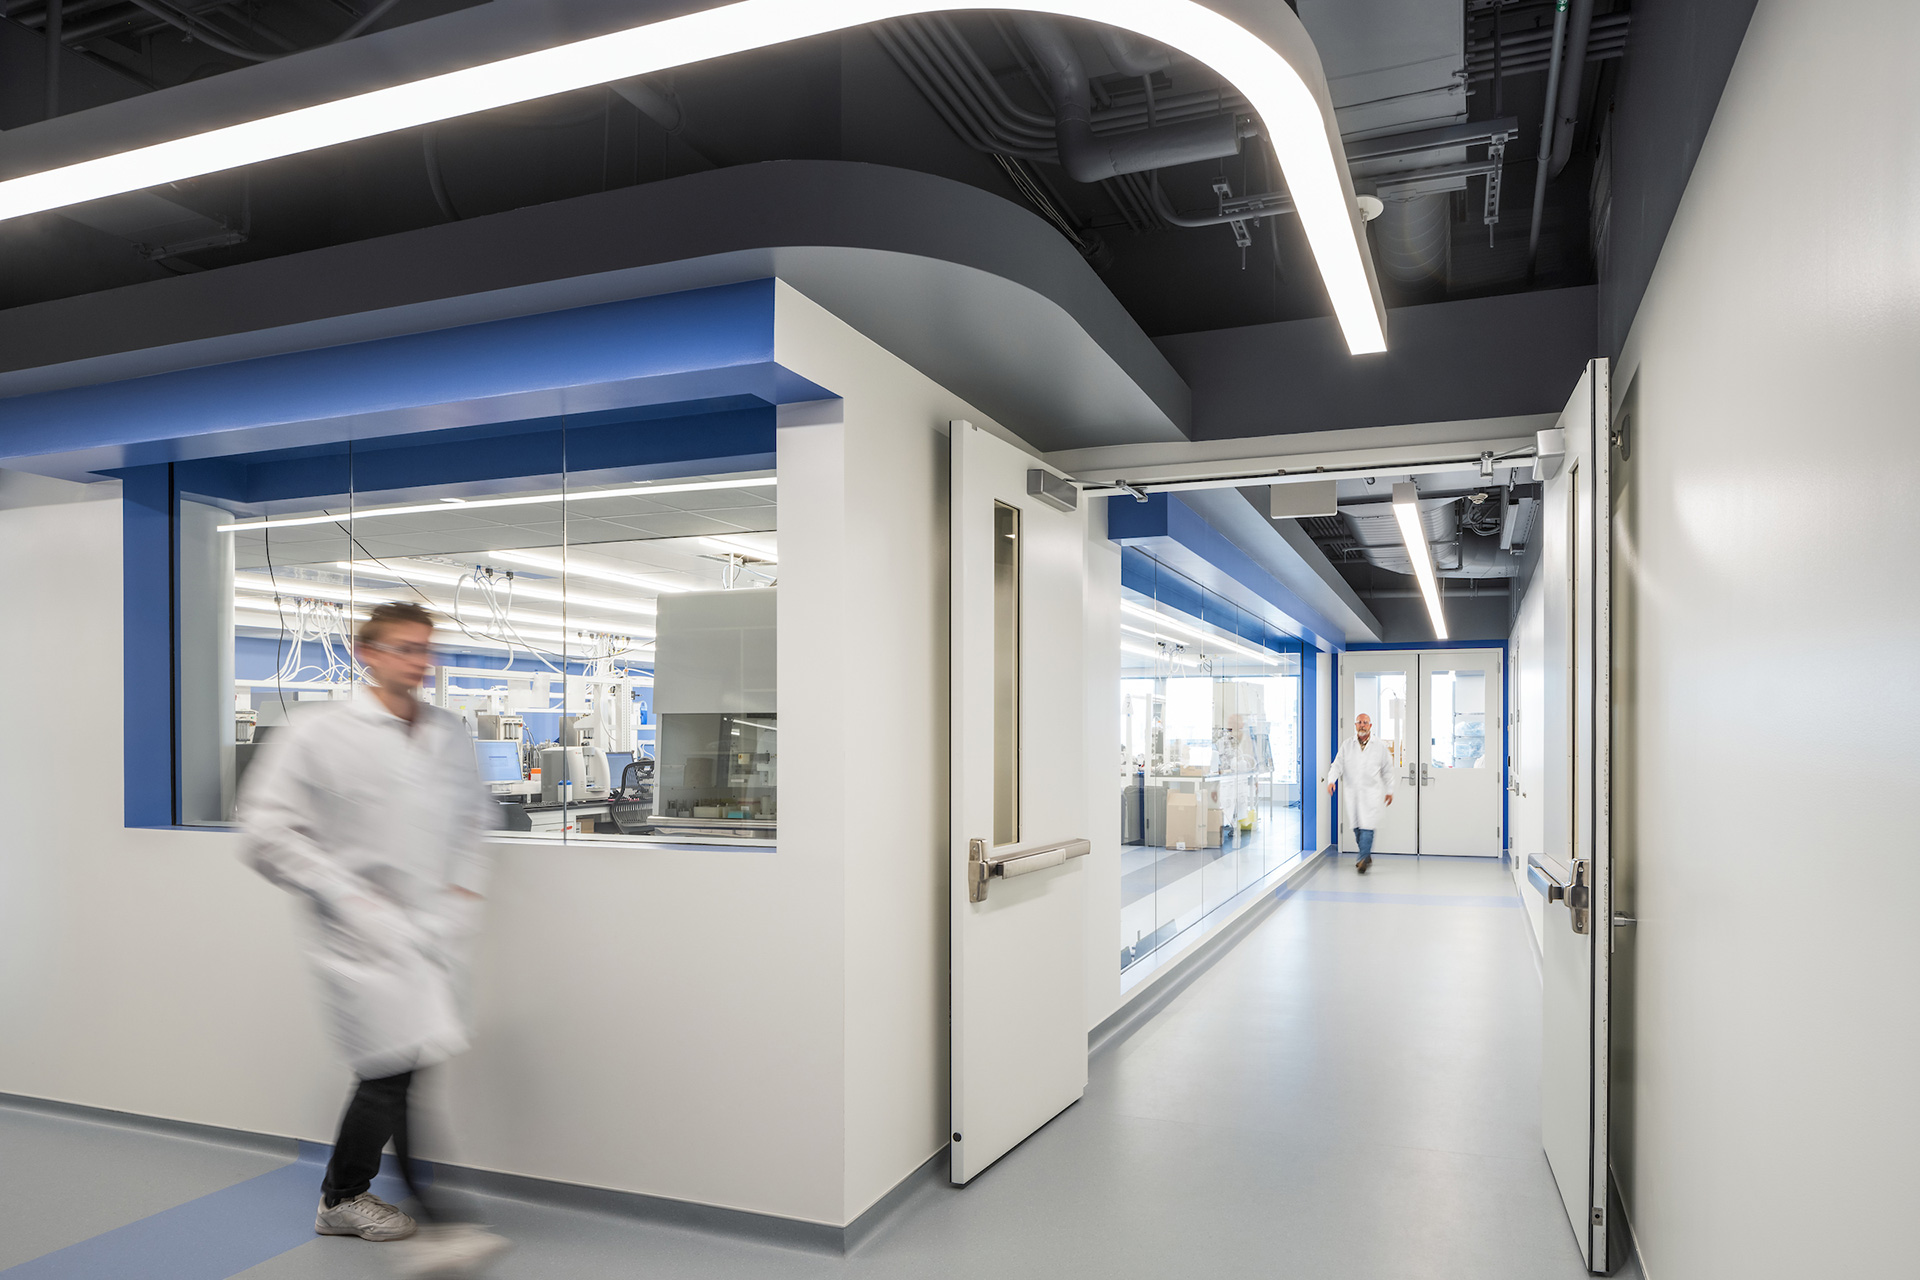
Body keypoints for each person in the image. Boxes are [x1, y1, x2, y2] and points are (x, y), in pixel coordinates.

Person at [240, 601, 510, 1277]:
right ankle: (424, 1214)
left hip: (431, 934)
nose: (418, 662)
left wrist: (464, 894)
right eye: (403, 649)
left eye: (425, 650)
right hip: (359, 938)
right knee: (395, 1075)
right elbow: (265, 833)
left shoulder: (448, 733)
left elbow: (473, 823)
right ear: (368, 653)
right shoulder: (318, 732)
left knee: (397, 1071)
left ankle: (345, 1195)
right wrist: (349, 897)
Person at [1326, 712, 1395, 874]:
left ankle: (1362, 859)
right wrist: (1331, 780)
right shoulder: (1347, 745)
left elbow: (1388, 771)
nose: (1362, 725)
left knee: (1367, 827)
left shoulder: (1380, 747)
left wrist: (1390, 790)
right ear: (1355, 725)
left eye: (1365, 722)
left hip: (1372, 794)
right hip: (1353, 793)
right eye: (1359, 722)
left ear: (1370, 726)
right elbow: (1337, 765)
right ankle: (1366, 854)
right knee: (1357, 827)